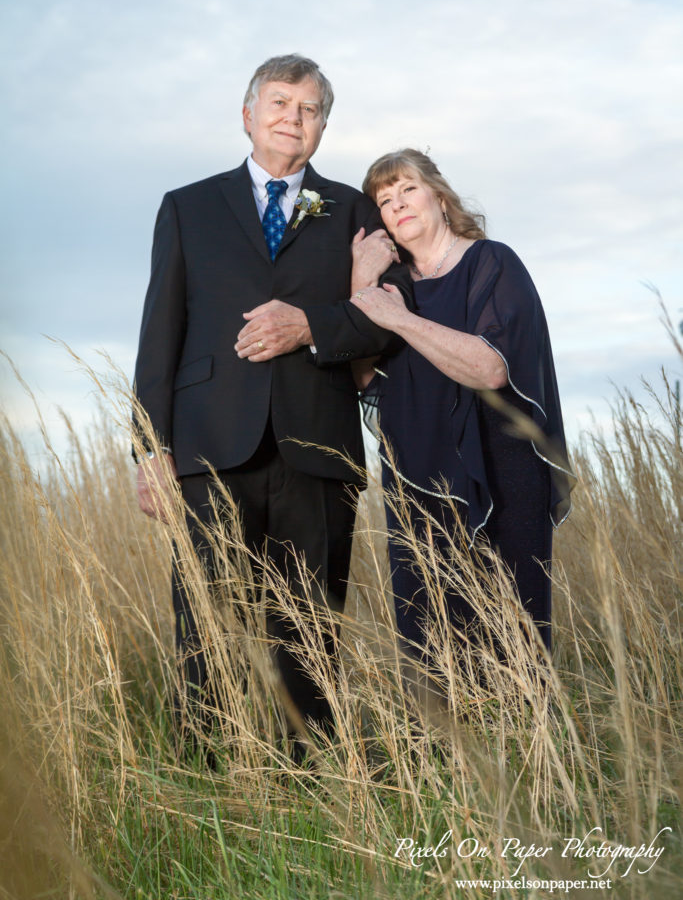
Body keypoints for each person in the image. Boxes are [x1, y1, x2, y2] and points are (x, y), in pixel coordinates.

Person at [133, 55, 409, 756]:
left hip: (316, 446)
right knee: (205, 623)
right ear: (249, 114)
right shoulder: (187, 206)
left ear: (321, 125)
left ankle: (307, 774)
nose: (294, 117)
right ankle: (203, 772)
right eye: (280, 103)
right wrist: (148, 451)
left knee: (310, 624)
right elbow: (160, 334)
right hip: (207, 445)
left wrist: (312, 325)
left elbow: (385, 319)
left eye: (310, 108)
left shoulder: (352, 210)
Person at [349, 148, 573, 664]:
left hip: (501, 465)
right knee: (425, 636)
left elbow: (490, 368)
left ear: (440, 197)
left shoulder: (491, 262)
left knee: (511, 632)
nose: (398, 204)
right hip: (414, 472)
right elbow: (362, 375)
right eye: (385, 200)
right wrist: (361, 281)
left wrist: (400, 320)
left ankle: (526, 743)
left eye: (408, 189)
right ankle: (443, 747)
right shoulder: (390, 286)